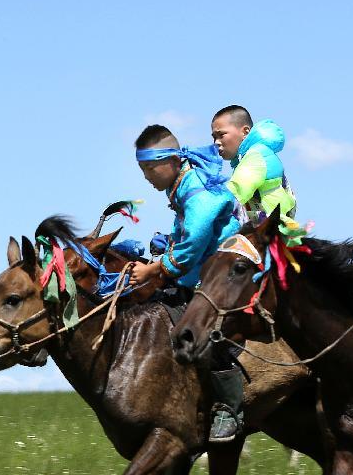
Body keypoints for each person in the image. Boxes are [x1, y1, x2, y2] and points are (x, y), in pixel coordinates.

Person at [128, 124, 245, 443]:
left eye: (149, 168)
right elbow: (185, 234)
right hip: (202, 263)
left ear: (170, 161)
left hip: (222, 264)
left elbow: (195, 239)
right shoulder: (180, 183)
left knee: (207, 327)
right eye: (142, 170)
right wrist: (165, 246)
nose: (146, 176)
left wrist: (154, 269)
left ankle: (229, 409)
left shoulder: (194, 186)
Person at [210, 105, 304, 243]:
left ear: (245, 132)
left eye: (221, 134)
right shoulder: (249, 157)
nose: (216, 142)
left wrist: (200, 206)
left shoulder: (256, 155)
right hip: (268, 233)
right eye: (214, 137)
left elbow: (235, 192)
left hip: (271, 238)